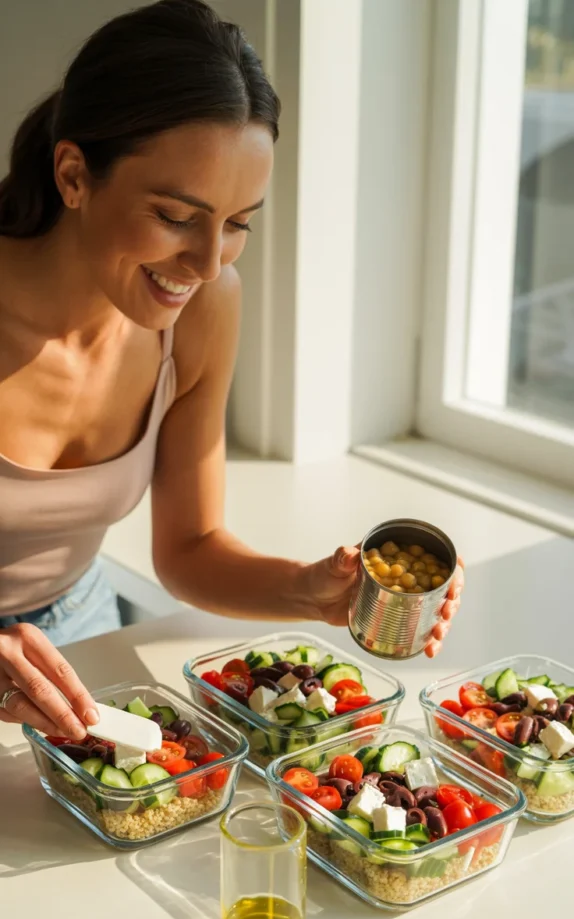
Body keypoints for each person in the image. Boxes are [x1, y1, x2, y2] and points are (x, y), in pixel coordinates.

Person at [0, 0, 463, 742]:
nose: (208, 263)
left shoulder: (203, 308)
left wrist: (312, 592)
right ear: (74, 174)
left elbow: (190, 548)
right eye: (176, 216)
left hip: (80, 638)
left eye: (239, 221)